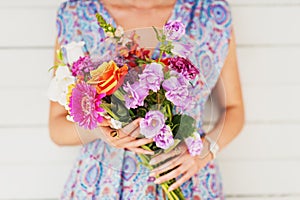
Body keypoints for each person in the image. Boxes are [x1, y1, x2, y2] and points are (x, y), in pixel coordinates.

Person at [49, 0, 244, 199]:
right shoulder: (76, 16)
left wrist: (204, 151)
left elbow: (234, 109)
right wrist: (101, 130)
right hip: (104, 186)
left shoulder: (210, 15)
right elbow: (57, 128)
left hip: (188, 178)